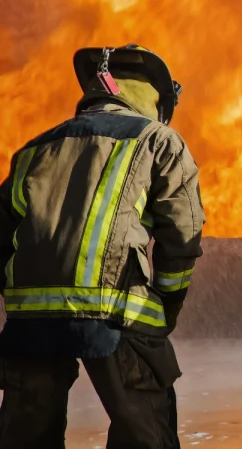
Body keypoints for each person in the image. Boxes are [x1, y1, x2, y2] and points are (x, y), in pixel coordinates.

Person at [0, 44, 204, 449]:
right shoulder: (159, 142)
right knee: (146, 434)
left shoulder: (33, 149)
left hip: (30, 321)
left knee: (24, 437)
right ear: (155, 97)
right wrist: (164, 309)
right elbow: (182, 236)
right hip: (116, 313)